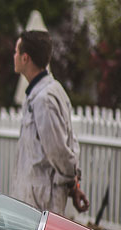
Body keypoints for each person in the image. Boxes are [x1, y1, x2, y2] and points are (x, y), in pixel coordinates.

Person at [11, 30, 89, 215]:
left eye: (16, 51)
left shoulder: (44, 99)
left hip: (40, 201)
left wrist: (73, 183)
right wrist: (74, 184)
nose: (13, 56)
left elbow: (58, 150)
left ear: (25, 58)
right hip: (36, 197)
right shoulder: (46, 92)